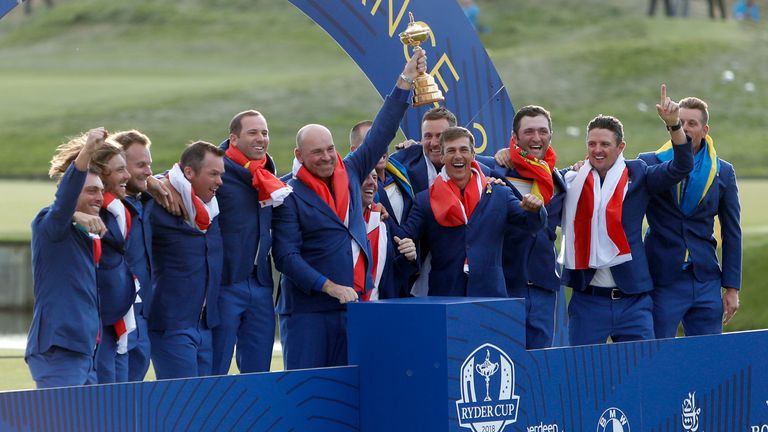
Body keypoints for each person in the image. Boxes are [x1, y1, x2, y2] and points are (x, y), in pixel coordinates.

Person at [272, 49, 424, 370]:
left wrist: (406, 80)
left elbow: (382, 129)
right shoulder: (288, 193)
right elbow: (286, 257)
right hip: (308, 311)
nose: (327, 157)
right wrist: (328, 286)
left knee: (353, 393)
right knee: (309, 394)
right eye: (317, 153)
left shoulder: (352, 169)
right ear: (299, 154)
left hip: (356, 305)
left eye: (330, 149)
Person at [560, 85, 693, 346]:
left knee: (642, 374)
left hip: (633, 300)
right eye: (592, 144)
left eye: (605, 144)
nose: (597, 150)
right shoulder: (573, 178)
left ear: (620, 147)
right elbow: (542, 184)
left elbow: (681, 166)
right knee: (583, 376)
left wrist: (674, 125)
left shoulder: (639, 173)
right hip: (588, 300)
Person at [398, 126, 546, 297]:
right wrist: (383, 218)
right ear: (442, 157)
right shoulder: (425, 200)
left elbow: (532, 225)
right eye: (451, 150)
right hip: (446, 297)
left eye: (463, 150)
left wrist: (536, 210)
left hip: (491, 297)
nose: (458, 156)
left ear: (473, 155)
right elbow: (405, 236)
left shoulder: (499, 193)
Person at [639, 96, 741, 338]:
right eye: (680, 122)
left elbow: (732, 232)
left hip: (705, 277)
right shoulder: (649, 162)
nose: (685, 128)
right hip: (662, 278)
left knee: (708, 359)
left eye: (692, 124)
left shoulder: (723, 171)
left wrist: (732, 288)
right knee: (658, 356)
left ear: (704, 130)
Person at [477, 105, 567, 349]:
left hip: (542, 286)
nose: (536, 138)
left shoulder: (558, 179)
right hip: (505, 284)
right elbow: (456, 157)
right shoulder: (493, 170)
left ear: (550, 135)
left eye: (542, 131)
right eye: (528, 132)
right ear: (515, 137)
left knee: (540, 364)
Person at [25, 128, 107, 389]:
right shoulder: (51, 228)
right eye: (92, 191)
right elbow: (61, 205)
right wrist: (87, 152)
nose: (99, 198)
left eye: (101, 191)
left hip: (85, 351)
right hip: (59, 350)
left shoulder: (83, 233)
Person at [211, 110, 291, 376]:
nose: (261, 139)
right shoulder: (216, 172)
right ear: (233, 139)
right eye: (253, 132)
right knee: (215, 370)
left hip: (260, 285)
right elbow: (174, 178)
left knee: (259, 374)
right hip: (225, 285)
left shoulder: (268, 176)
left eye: (265, 132)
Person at [146, 141, 225, 379]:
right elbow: (125, 182)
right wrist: (153, 181)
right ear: (188, 172)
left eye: (221, 175)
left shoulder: (212, 207)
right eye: (213, 174)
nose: (220, 182)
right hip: (173, 324)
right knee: (182, 408)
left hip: (205, 325)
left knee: (203, 407)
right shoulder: (157, 200)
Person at [89, 141, 136, 384]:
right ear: (100, 175)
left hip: (120, 315)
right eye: (119, 170)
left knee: (120, 398)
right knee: (102, 403)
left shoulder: (121, 208)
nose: (127, 175)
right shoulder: (88, 214)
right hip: (99, 321)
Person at [350, 120, 415, 297]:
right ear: (355, 152)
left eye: (383, 143)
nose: (381, 149)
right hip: (362, 292)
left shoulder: (402, 170)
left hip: (404, 280)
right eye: (373, 144)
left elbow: (441, 151)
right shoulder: (347, 196)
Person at [111, 129, 155, 382]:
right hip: (116, 322)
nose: (148, 171)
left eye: (149, 164)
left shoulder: (146, 199)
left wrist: (156, 184)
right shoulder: (105, 209)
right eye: (141, 165)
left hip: (142, 318)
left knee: (133, 403)